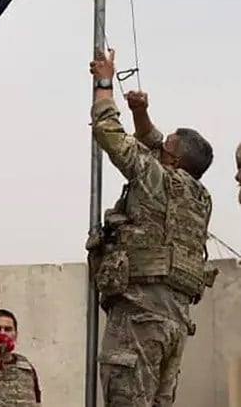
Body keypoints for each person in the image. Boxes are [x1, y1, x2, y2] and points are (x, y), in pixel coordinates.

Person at [88, 48, 217, 406]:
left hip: (139, 319)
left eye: (167, 145)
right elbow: (156, 142)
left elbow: (109, 133)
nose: (159, 146)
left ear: (173, 159)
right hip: (173, 324)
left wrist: (104, 83)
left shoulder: (154, 176)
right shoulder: (200, 197)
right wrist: (140, 112)